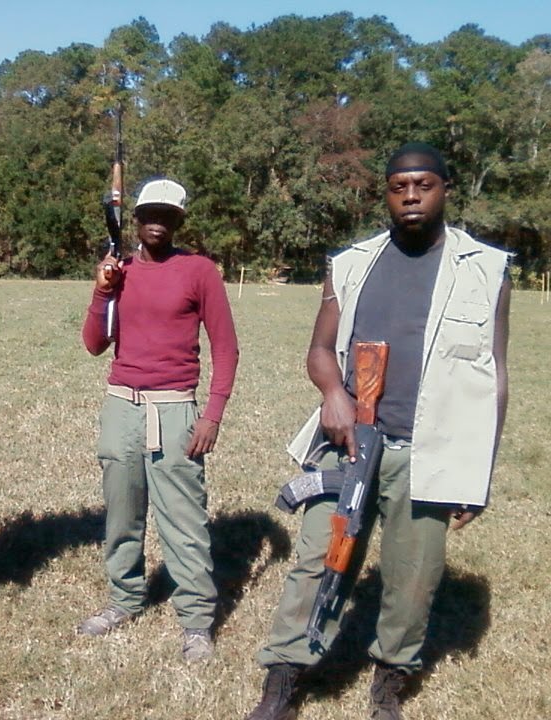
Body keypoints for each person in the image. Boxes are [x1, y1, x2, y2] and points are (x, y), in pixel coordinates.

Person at [245, 142, 511, 720]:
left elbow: (495, 373)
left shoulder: (487, 269)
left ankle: (389, 681)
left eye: (424, 184)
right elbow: (319, 349)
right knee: (318, 559)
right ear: (385, 194)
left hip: (431, 452)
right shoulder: (351, 264)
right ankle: (284, 678)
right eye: (398, 186)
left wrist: (477, 471)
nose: (411, 195)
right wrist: (333, 394)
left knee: (413, 581)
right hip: (348, 442)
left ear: (445, 188)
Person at [78, 178, 240, 662]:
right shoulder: (119, 270)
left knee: (183, 521)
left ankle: (196, 622)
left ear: (178, 220)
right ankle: (124, 599)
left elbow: (226, 347)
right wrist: (102, 291)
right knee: (122, 514)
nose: (156, 221)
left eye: (167, 215)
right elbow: (93, 343)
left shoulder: (199, 271)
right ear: (136, 217)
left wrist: (212, 413)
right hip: (120, 405)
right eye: (149, 212)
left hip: (174, 409)